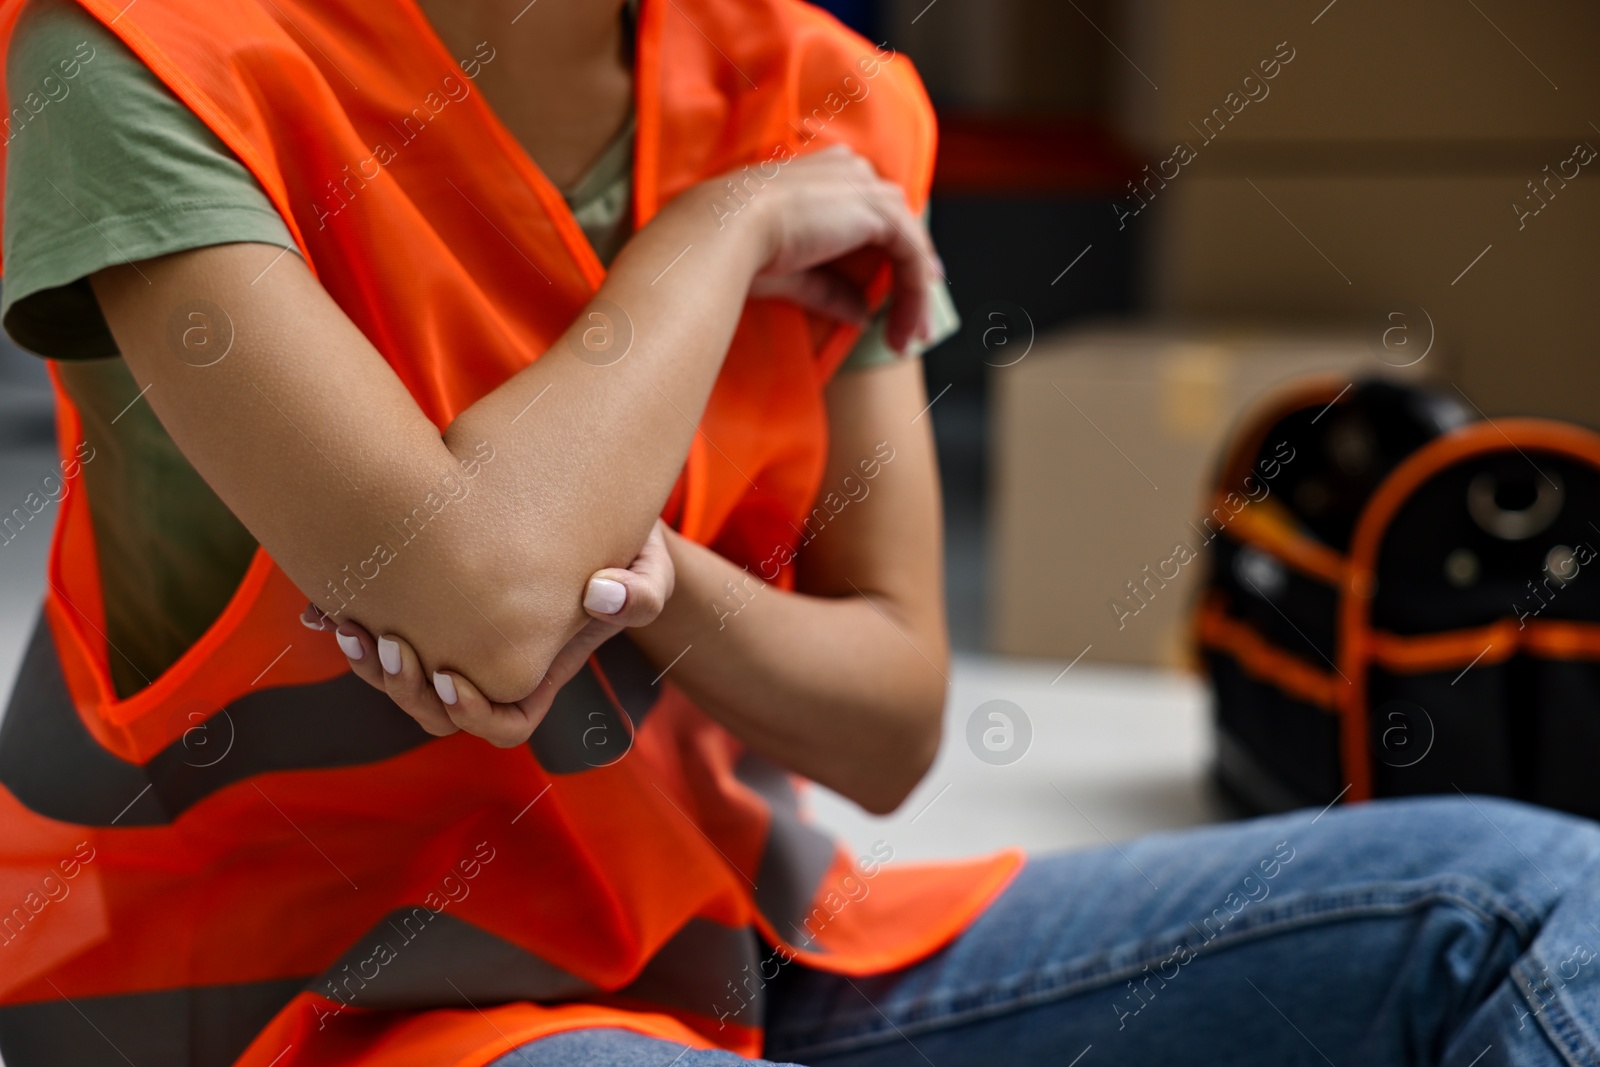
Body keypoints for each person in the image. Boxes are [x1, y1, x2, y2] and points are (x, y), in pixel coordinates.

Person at [0, 1, 1597, 1065]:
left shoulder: (811, 83)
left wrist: (653, 581)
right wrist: (727, 229)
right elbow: (482, 607)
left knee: (1527, 905)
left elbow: (893, 722)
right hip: (293, 1015)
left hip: (730, 958)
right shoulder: (147, 55)